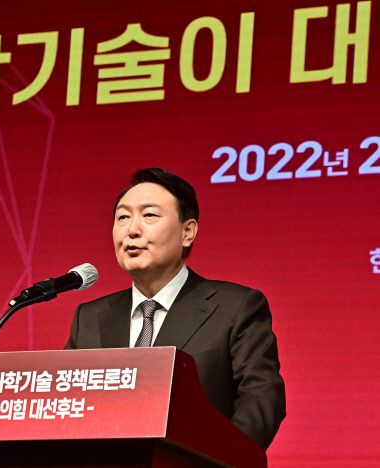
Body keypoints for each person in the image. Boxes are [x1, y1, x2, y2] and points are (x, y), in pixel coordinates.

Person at [65, 168, 285, 450]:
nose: (132, 230)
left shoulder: (235, 307)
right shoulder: (89, 318)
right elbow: (66, 404)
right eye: (123, 217)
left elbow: (262, 397)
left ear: (187, 232)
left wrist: (217, 460)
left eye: (149, 215)